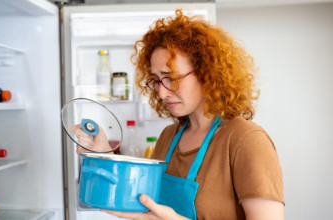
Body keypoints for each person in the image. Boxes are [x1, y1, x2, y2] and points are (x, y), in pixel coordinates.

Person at [72, 9, 284, 220]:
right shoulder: (169, 136)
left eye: (171, 77)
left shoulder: (246, 140)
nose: (162, 92)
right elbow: (141, 199)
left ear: (207, 73)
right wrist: (103, 155)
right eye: (156, 80)